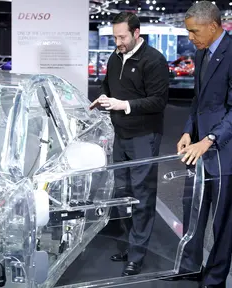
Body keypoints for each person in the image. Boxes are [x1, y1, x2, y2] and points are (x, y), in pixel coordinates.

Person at [174, 2, 232, 287]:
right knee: (193, 209)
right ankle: (189, 267)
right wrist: (188, 132)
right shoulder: (202, 53)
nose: (190, 37)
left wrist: (208, 139)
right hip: (197, 148)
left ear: (213, 26)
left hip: (227, 151)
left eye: (194, 31)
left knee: (223, 219)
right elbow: (199, 100)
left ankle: (215, 279)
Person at [89, 12, 169, 276]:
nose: (118, 41)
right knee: (122, 194)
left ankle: (137, 254)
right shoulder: (115, 56)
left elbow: (158, 101)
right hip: (121, 136)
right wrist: (103, 98)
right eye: (115, 36)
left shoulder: (154, 60)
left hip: (144, 136)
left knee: (142, 196)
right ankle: (129, 243)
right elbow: (108, 86)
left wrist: (124, 105)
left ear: (136, 33)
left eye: (122, 36)